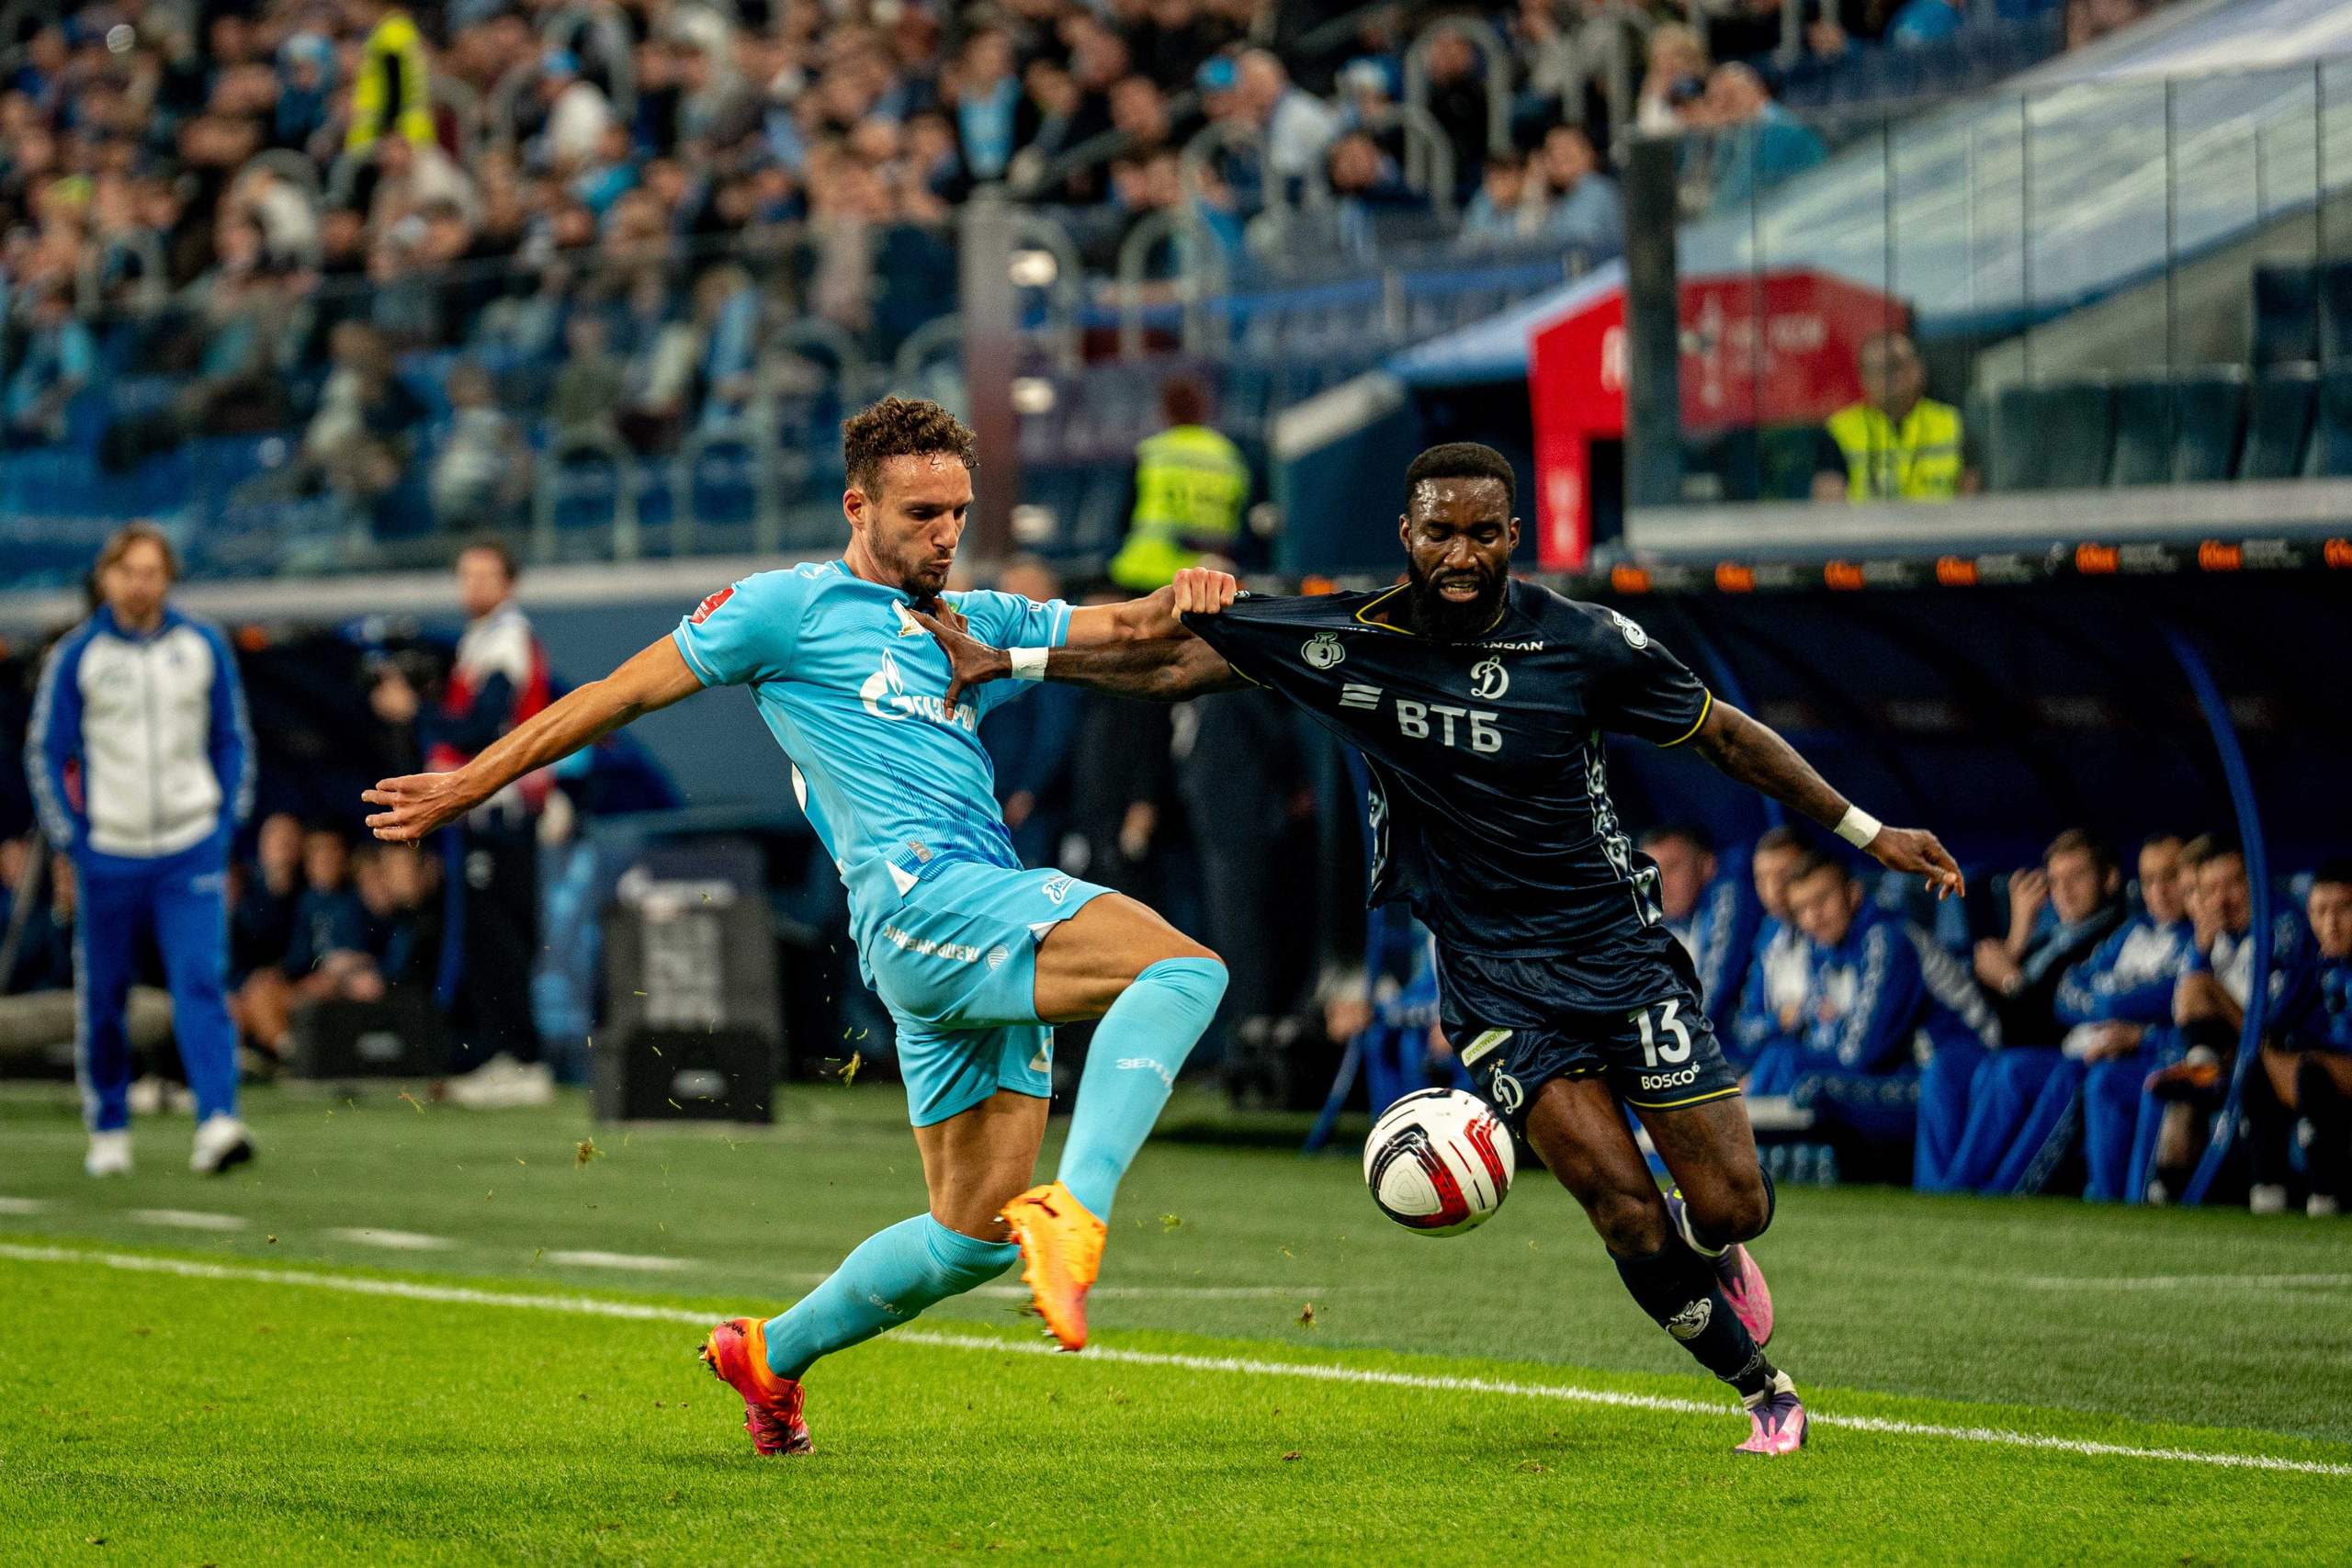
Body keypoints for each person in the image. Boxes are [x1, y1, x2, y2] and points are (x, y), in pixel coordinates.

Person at [920, 440, 1967, 1457]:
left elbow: (1727, 735)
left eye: (1481, 534)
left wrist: (1868, 833)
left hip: (1617, 949)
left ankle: (1716, 1240)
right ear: (1405, 535)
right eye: (1438, 534)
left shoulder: (1586, 643)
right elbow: (1173, 668)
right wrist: (1011, 659)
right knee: (1616, 1205)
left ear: (1514, 535)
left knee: (1733, 1200)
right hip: (1491, 975)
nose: (1459, 556)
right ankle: (1761, 1391)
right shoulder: (1351, 637)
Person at [363, 398, 1231, 1458]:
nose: (945, 535)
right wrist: (467, 784)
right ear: (858, 505)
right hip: (925, 904)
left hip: (966, 919)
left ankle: (768, 1355)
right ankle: (1079, 1209)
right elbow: (613, 695)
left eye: (959, 512)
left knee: (968, 1242)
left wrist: (1216, 605)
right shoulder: (787, 610)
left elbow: (1148, 639)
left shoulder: (982, 623)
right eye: (922, 513)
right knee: (1184, 973)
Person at [28, 523, 255, 1177]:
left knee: (201, 981)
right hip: (111, 849)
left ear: (168, 577)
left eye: (153, 571)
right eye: (129, 570)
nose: (140, 583)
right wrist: (74, 838)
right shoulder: (78, 655)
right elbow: (47, 751)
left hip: (190, 846)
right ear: (106, 577)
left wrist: (222, 826)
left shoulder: (202, 644)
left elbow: (231, 738)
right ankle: (108, 1121)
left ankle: (218, 1119)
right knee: (104, 995)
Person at [369, 539, 553, 1105]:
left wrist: (415, 712)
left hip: (505, 810)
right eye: (465, 575)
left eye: (485, 575)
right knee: (482, 936)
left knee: (502, 937)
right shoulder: (482, 641)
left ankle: (523, 1060)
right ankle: (502, 1054)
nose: (472, 586)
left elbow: (481, 726)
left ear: (509, 583)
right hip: (484, 811)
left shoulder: (507, 640)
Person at [1755, 851, 1996, 1189]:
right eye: (1801, 909)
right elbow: (1824, 1039)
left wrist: (1832, 1025)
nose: (1813, 917)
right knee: (1782, 1058)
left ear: (1853, 893)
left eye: (1822, 899)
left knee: (1809, 1079)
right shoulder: (1830, 952)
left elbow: (1860, 1052)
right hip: (1907, 1073)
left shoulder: (1887, 938)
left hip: (1960, 1073)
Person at [1925, 829, 2127, 1193]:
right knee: (1949, 1066)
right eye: (2055, 880)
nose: (2063, 890)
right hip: (2018, 1054)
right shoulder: (2051, 941)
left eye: (2077, 877)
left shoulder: (2113, 937)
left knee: (2008, 1070)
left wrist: (2011, 981)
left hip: (2068, 1057)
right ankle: (1935, 1187)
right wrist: (2017, 939)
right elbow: (2001, 1021)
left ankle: (1961, 1191)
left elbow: (2054, 1026)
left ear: (2109, 878)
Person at [1107, 377, 1250, 592]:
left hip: (1146, 572)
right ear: (1204, 410)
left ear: (1166, 411)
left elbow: (1123, 516)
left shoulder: (1153, 452)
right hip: (1207, 577)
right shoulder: (1230, 456)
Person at [2267, 861, 2352, 1216]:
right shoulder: (2314, 969)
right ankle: (2267, 1197)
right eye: (2319, 911)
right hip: (2325, 1074)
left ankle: (2326, 1198)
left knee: (2312, 1072)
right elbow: (2275, 1024)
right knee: (2260, 1066)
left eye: (2344, 910)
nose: (2329, 924)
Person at [1811, 333, 1981, 503]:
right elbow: (1830, 512)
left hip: (1942, 529)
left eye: (1900, 365)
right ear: (1863, 377)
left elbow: (1971, 503)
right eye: (1883, 369)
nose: (1894, 376)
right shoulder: (1839, 431)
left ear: (1919, 369)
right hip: (1869, 530)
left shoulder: (1952, 422)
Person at [1642, 824, 1761, 1034]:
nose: (1661, 884)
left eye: (1672, 868)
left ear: (1707, 866)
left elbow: (1708, 1000)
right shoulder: (1665, 921)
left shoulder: (1727, 893)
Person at [1727, 826, 1810, 1076]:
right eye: (1761, 878)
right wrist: (1780, 1021)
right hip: (1780, 1066)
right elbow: (1746, 1028)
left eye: (1783, 875)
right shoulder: (1769, 935)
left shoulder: (1831, 931)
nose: (1773, 890)